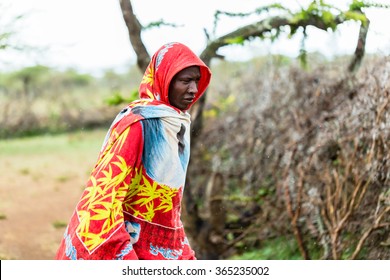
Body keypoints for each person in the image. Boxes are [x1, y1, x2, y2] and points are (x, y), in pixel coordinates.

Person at [55, 42, 212, 260]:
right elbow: (104, 198)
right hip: (123, 243)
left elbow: (169, 205)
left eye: (196, 81)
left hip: (160, 243)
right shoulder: (138, 124)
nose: (194, 90)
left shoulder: (176, 123)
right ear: (164, 81)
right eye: (185, 81)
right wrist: (124, 256)